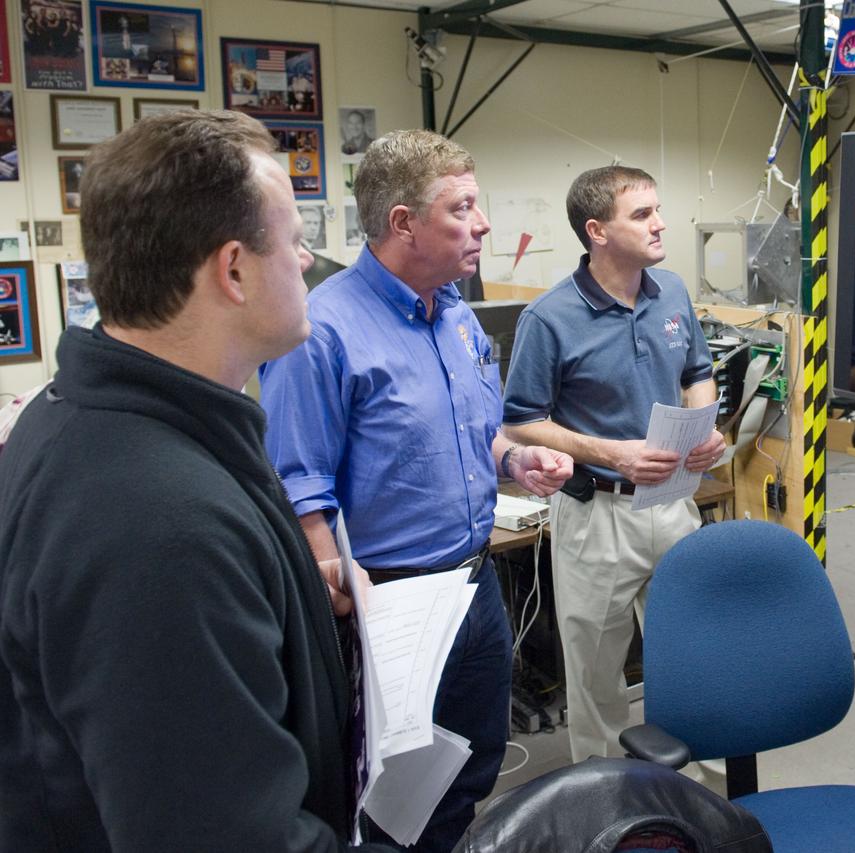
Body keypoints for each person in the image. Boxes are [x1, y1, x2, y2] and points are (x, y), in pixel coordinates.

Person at [0, 110, 393, 851]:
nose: (307, 261)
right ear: (233, 269)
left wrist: (287, 596)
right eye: (295, 240)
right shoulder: (159, 524)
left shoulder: (91, 418)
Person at [259, 129, 573, 853]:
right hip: (388, 603)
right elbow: (299, 484)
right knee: (389, 800)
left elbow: (472, 433)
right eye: (462, 208)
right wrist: (340, 607)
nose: (483, 223)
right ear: (403, 223)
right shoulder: (322, 330)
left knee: (468, 769)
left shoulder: (455, 313)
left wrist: (516, 458)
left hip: (475, 587)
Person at [502, 166, 727, 763]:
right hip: (597, 517)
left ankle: (696, 789)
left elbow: (697, 372)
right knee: (597, 674)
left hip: (673, 501)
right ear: (597, 231)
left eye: (658, 209)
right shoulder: (548, 318)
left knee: (693, 656)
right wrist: (614, 454)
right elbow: (521, 421)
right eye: (642, 214)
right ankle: (605, 795)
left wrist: (704, 427)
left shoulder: (671, 291)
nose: (660, 224)